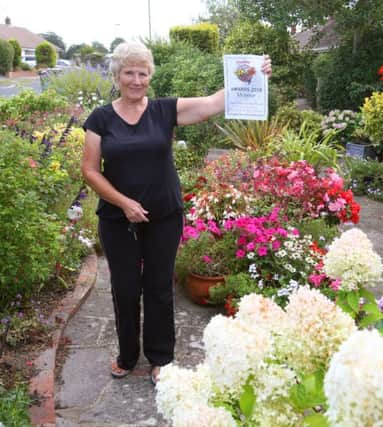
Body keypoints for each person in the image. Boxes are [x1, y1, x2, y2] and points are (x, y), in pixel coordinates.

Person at [81, 42, 272, 386]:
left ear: (150, 76)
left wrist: (253, 74)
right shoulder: (100, 118)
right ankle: (127, 355)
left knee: (158, 287)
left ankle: (160, 358)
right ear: (117, 76)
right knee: (125, 289)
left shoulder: (165, 110)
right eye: (129, 72)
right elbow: (91, 170)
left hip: (164, 214)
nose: (136, 79)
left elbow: (214, 103)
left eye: (143, 73)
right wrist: (124, 202)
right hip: (116, 218)